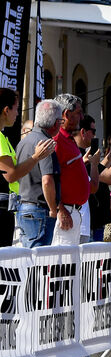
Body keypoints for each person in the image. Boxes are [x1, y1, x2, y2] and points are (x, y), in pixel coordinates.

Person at [0, 89, 55, 246]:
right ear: (6, 110)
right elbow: (10, 175)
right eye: (16, 109)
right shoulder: (0, 138)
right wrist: (36, 157)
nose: (18, 114)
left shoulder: (3, 136)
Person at [49, 94, 98, 246]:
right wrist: (60, 209)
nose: (81, 117)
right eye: (78, 113)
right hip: (65, 214)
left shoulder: (68, 140)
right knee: (61, 265)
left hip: (74, 213)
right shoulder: (56, 141)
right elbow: (49, 178)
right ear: (66, 114)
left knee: (70, 265)